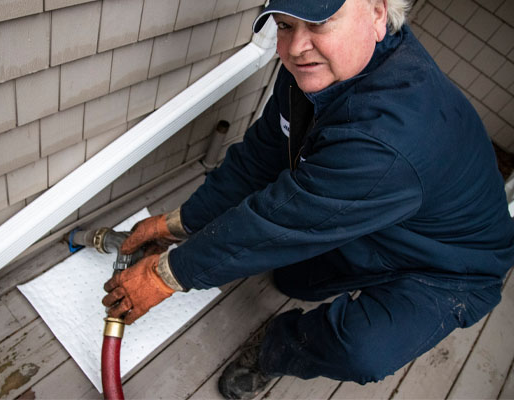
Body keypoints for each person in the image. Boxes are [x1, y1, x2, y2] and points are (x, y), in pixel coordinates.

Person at [102, 0, 514, 398]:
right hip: (375, 216)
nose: (297, 47)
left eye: (320, 22)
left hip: (450, 265)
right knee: (292, 279)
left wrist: (164, 275)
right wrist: (176, 223)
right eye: (285, 24)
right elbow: (260, 158)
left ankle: (275, 350)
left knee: (361, 350)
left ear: (377, 12)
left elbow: (276, 225)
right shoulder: (319, 71)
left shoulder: (388, 140)